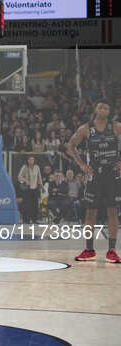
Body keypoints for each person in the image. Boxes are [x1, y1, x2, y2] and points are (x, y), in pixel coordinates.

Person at [66, 100, 121, 263]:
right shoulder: (86, 128)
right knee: (90, 213)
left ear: (109, 112)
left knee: (113, 212)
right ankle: (89, 249)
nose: (104, 109)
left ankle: (112, 250)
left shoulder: (116, 126)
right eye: (101, 107)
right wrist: (82, 164)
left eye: (107, 107)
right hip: (94, 175)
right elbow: (70, 145)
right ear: (96, 110)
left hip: (113, 175)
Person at [18, 156, 43, 224]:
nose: (31, 161)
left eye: (33, 159)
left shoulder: (36, 167)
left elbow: (39, 177)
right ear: (27, 160)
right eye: (30, 159)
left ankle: (35, 219)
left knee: (35, 204)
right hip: (27, 188)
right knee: (27, 205)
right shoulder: (25, 167)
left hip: (35, 187)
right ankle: (26, 219)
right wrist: (26, 180)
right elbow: (19, 177)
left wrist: (41, 186)